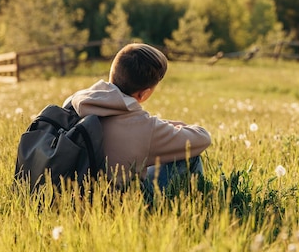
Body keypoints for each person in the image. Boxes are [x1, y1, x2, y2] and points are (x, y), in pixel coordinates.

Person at [62, 43, 211, 190]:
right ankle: (199, 200)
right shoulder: (145, 128)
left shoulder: (74, 102)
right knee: (188, 155)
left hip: (66, 197)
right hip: (120, 205)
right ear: (143, 94)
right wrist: (177, 126)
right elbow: (203, 138)